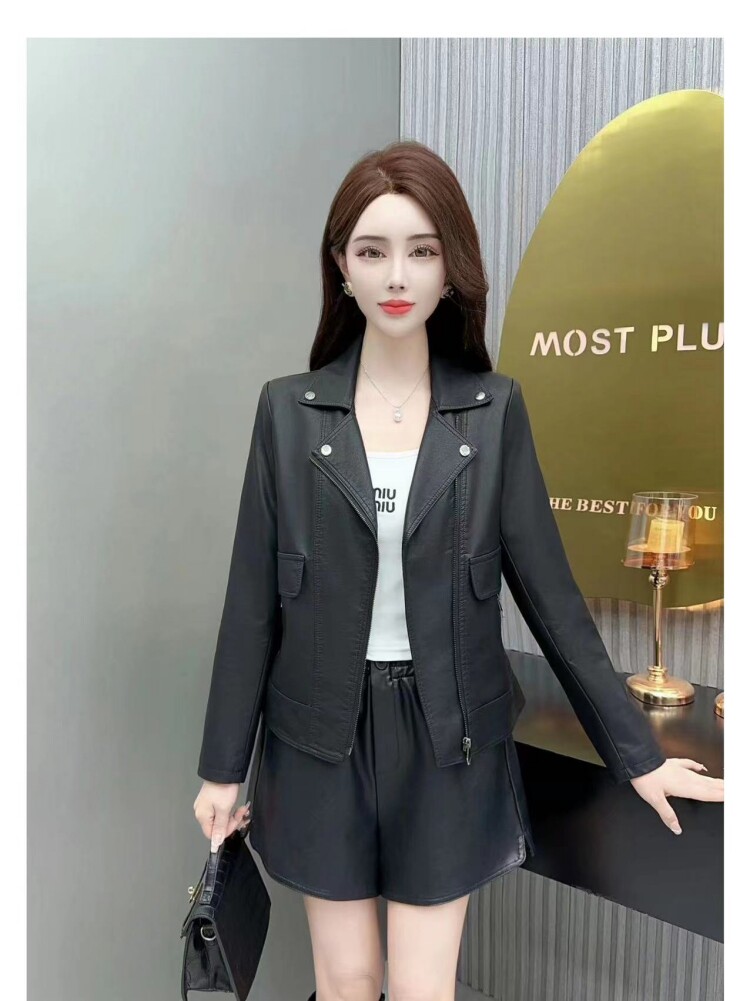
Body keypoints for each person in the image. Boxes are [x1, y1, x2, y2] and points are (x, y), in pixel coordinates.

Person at [192, 140, 724, 1001]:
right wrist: (222, 767)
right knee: (348, 979)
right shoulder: (288, 411)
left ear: (451, 270)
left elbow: (551, 598)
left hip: (451, 739)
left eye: (422, 250)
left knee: (424, 986)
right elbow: (251, 601)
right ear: (342, 268)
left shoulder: (493, 411)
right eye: (373, 251)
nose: (398, 275)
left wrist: (638, 754)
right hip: (317, 736)